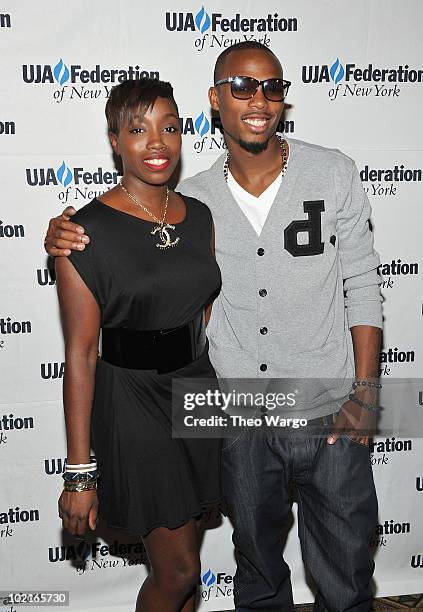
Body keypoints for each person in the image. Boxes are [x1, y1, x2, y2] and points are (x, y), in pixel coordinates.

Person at [46, 42, 382, 612]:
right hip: (234, 415)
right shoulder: (193, 199)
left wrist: (366, 392)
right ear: (215, 99)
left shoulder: (331, 171)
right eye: (242, 86)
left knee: (348, 572)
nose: (259, 100)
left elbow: (364, 285)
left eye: (272, 87)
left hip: (327, 405)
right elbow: (124, 282)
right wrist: (64, 233)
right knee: (254, 572)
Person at [54, 78, 222, 612]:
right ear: (115, 140)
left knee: (188, 570)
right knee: (177, 570)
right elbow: (80, 355)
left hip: (198, 390)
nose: (157, 142)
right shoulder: (83, 232)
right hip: (132, 402)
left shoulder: (200, 216)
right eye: (138, 129)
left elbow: (204, 308)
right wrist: (80, 472)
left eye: (169, 128)